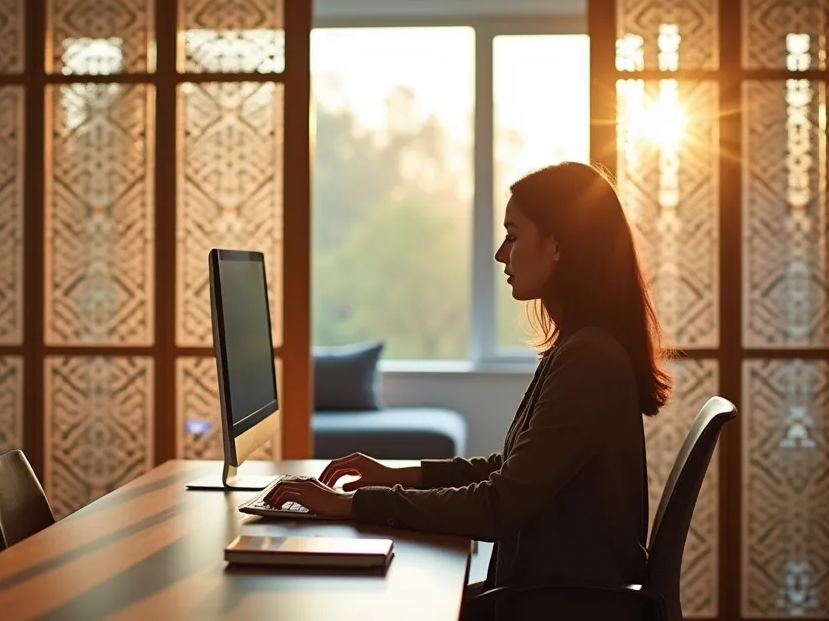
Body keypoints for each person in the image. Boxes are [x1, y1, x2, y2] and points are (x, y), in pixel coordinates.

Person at [266, 161, 673, 620]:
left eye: (513, 236)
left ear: (557, 246)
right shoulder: (580, 347)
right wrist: (395, 475)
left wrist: (349, 505)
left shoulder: (589, 360)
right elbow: (512, 470)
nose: (501, 254)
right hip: (544, 594)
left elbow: (498, 506)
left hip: (555, 606)